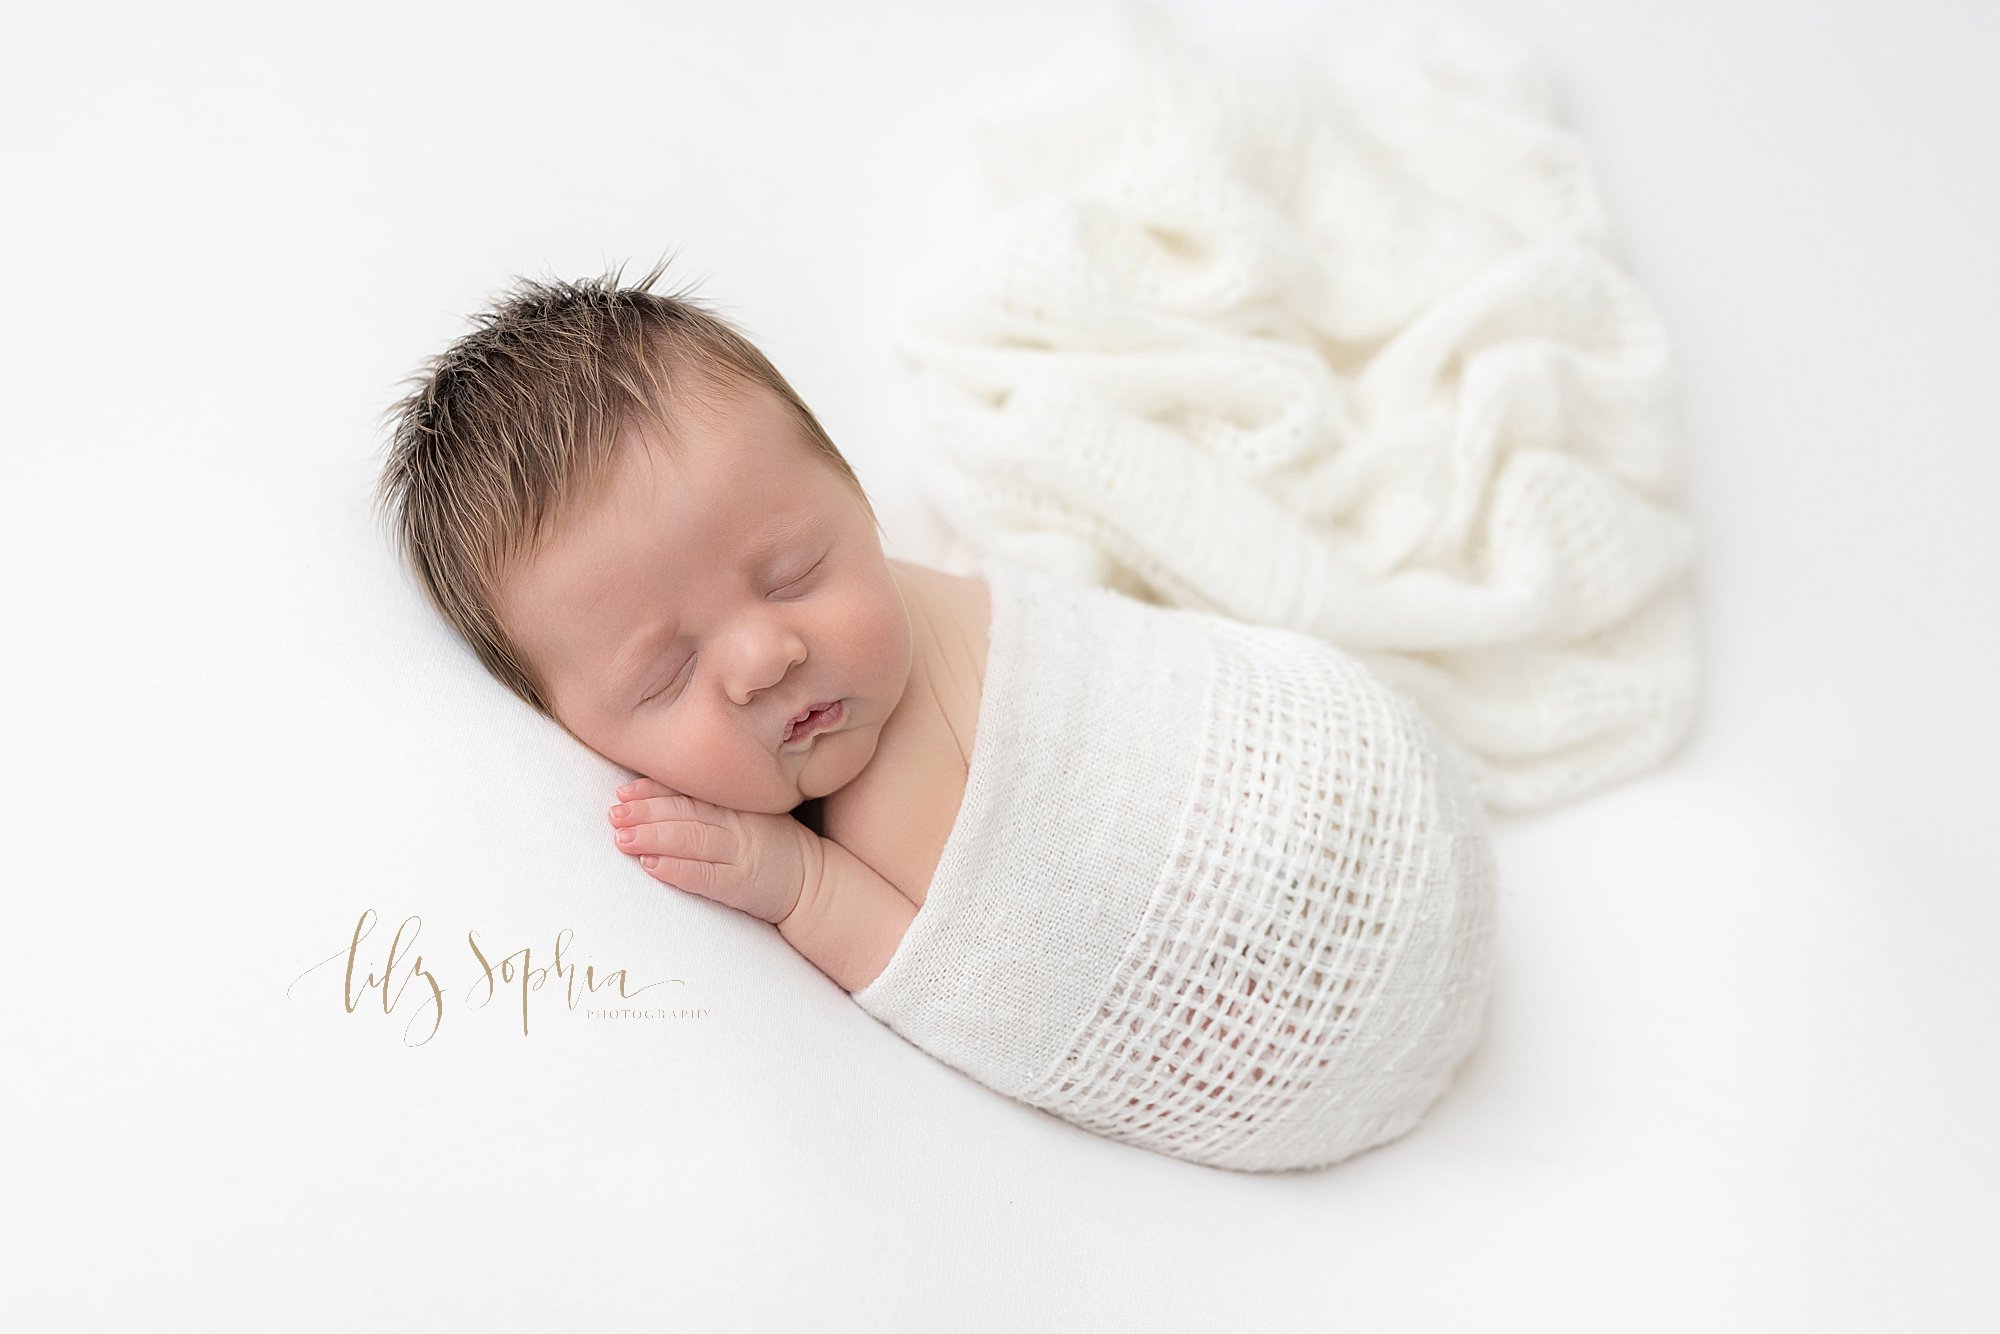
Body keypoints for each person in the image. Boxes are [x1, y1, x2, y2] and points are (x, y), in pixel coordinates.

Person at [374, 259, 993, 994]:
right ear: (582, 734)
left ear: (854, 496)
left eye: (792, 573)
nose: (763, 659)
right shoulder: (867, 864)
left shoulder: (960, 609)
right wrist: (802, 887)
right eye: (668, 675)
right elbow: (1002, 1002)